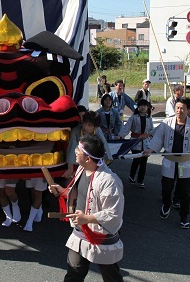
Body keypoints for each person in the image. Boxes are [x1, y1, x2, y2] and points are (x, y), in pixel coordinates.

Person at [49, 135, 125, 282]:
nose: (75, 151)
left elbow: (113, 213)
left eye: (79, 149)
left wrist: (87, 218)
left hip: (101, 236)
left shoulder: (109, 181)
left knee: (112, 278)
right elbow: (80, 192)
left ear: (88, 158)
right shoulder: (81, 169)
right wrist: (62, 191)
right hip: (80, 233)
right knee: (73, 275)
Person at [145, 97, 190, 229]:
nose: (180, 111)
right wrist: (150, 149)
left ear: (188, 110)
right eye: (178, 108)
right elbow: (158, 138)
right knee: (166, 188)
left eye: (183, 108)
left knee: (185, 192)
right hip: (169, 162)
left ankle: (184, 217)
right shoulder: (167, 122)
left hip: (185, 163)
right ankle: (166, 204)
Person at [117, 99, 154, 188]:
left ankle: (141, 180)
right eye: (141, 105)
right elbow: (126, 128)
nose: (142, 107)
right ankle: (132, 176)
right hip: (135, 141)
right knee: (136, 160)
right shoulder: (133, 117)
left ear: (147, 107)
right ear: (138, 107)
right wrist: (120, 136)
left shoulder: (149, 118)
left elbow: (152, 131)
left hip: (146, 142)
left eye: (144, 106)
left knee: (144, 162)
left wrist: (152, 140)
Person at [65, 111, 112, 179]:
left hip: (94, 165)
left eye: (89, 125)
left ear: (95, 127)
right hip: (77, 162)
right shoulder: (75, 131)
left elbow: (104, 154)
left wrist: (99, 171)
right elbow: (72, 149)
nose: (85, 127)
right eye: (84, 123)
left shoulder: (99, 135)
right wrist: (70, 169)